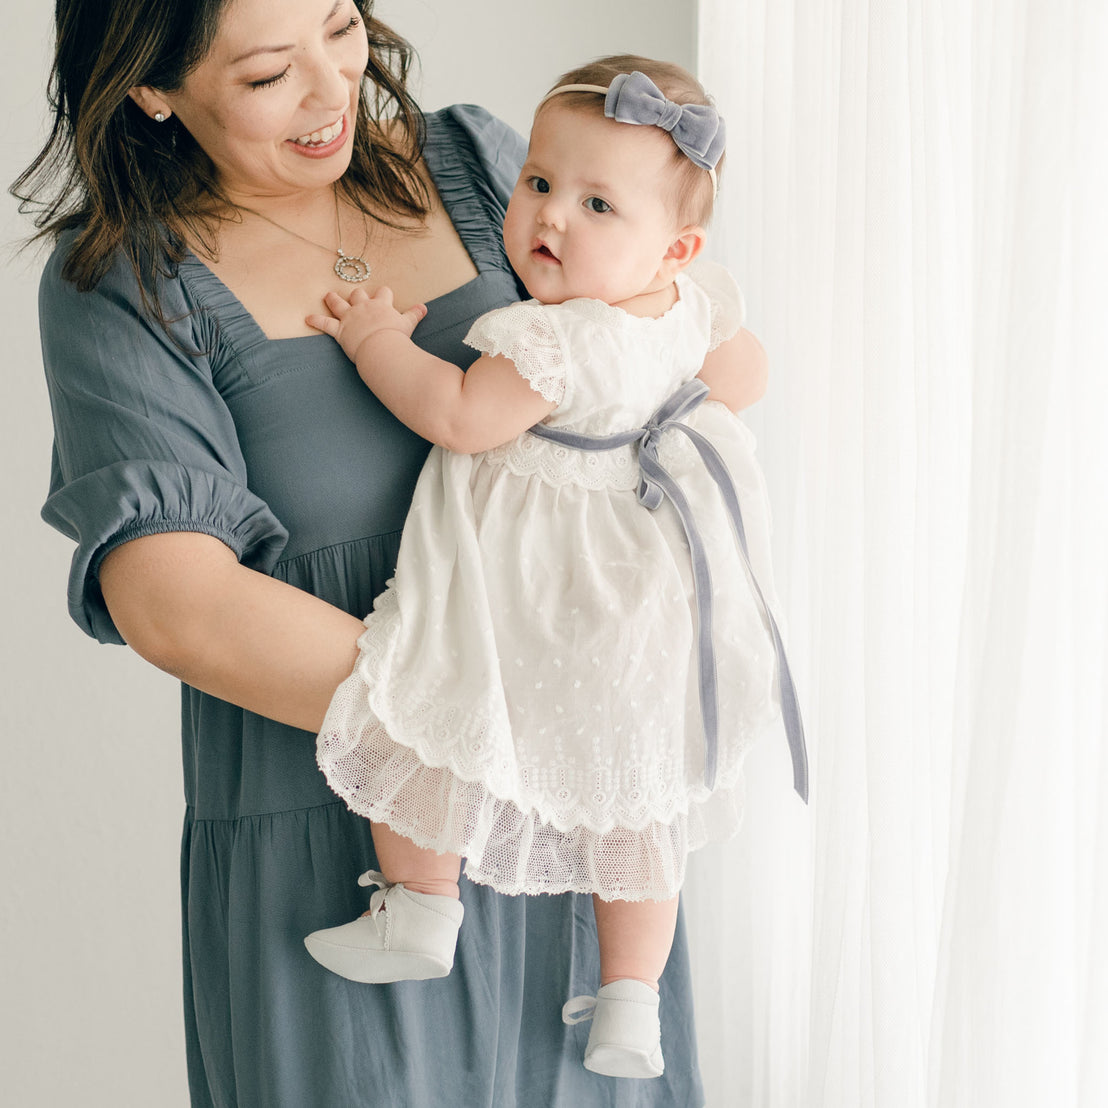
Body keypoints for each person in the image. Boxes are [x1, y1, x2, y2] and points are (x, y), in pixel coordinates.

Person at [13, 1, 770, 1103]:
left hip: (563, 818)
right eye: (271, 74)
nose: (332, 91)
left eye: (338, 26)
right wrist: (469, 701)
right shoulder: (124, 284)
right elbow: (175, 604)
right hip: (342, 829)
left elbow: (662, 366)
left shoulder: (487, 165)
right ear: (153, 87)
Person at [298, 58, 808, 1081]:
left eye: (596, 204)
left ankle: (422, 905)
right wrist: (670, 384)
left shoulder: (550, 341)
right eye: (537, 184)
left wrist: (374, 341)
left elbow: (456, 415)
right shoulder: (683, 304)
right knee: (638, 796)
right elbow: (744, 376)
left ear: (675, 242)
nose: (551, 220)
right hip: (646, 596)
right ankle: (630, 999)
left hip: (543, 588)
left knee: (445, 700)